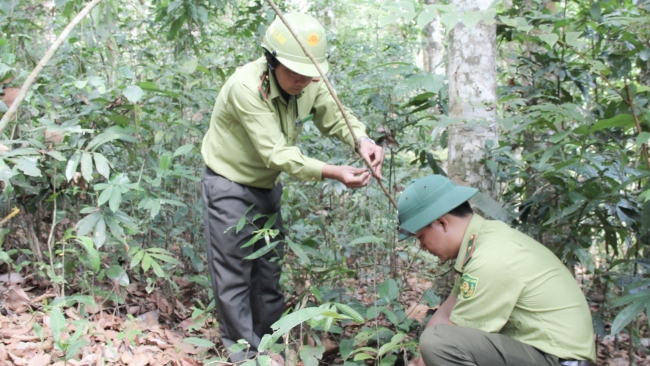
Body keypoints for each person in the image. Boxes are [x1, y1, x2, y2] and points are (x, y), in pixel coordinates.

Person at [200, 12, 385, 362]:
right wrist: (333, 171)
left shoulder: (309, 80)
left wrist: (362, 139)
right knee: (234, 276)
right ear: (271, 61)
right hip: (228, 184)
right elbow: (275, 153)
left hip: (266, 188)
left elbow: (334, 113)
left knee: (268, 273)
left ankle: (272, 347)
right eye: (295, 74)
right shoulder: (246, 87)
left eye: (309, 75)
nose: (303, 81)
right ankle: (245, 357)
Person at [397, 175, 597, 366]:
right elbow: (445, 315)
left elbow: (446, 339)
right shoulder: (481, 243)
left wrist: (424, 359)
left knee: (437, 342)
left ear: (442, 223)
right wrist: (418, 360)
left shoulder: (490, 258)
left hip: (558, 359)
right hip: (543, 352)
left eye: (421, 236)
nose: (422, 246)